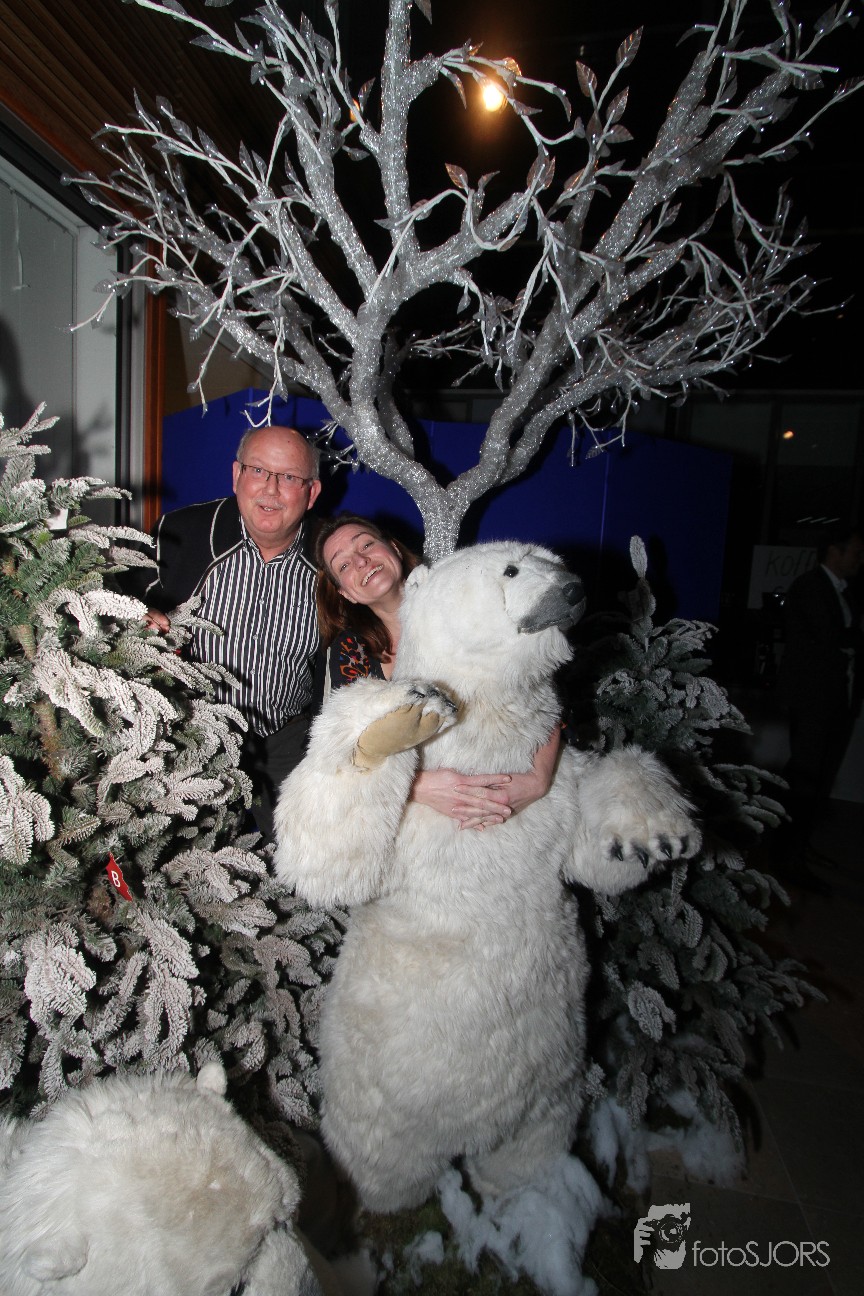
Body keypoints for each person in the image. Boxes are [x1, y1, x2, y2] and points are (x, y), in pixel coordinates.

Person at [314, 513, 561, 830]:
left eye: (366, 544)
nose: (361, 561)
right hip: (418, 820)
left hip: (509, 784)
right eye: (344, 565)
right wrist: (418, 786)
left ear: (393, 548)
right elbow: (343, 754)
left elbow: (540, 691)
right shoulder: (350, 651)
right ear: (345, 593)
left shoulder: (466, 600)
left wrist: (539, 779)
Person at [139, 424, 322, 839]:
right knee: (184, 858)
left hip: (286, 740)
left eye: (289, 477)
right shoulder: (179, 533)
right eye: (258, 471)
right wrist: (138, 615)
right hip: (191, 734)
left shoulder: (330, 555)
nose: (271, 489)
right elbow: (110, 596)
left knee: (306, 857)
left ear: (311, 493)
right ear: (237, 475)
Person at [776, 523, 864, 872]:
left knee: (820, 776)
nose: (860, 559)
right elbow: (827, 638)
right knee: (807, 775)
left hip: (835, 699)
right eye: (856, 552)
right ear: (833, 551)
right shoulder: (810, 586)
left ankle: (799, 847)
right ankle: (788, 856)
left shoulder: (844, 591)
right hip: (813, 699)